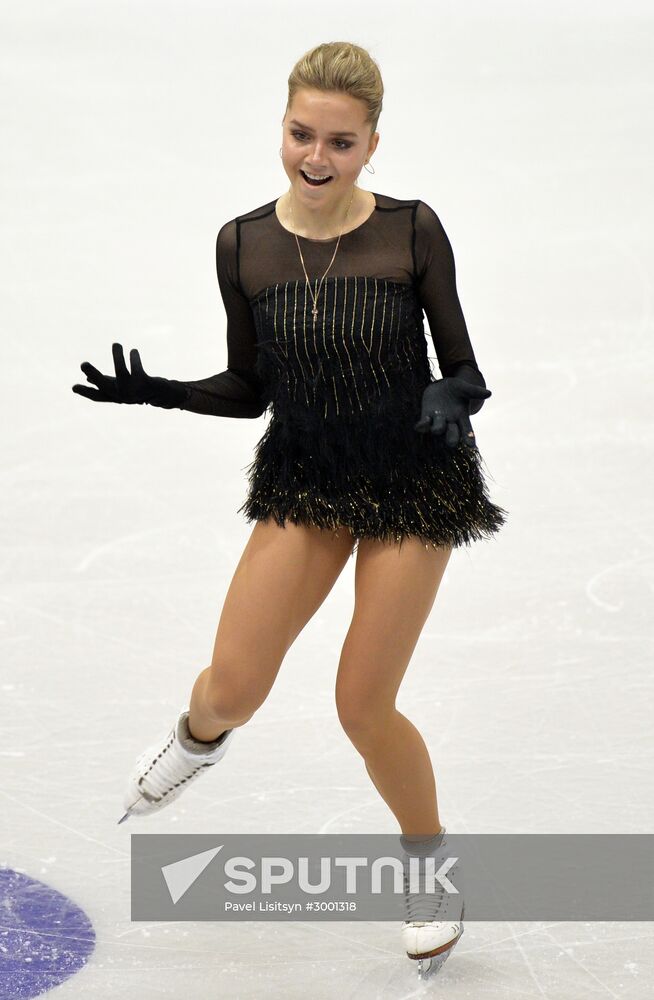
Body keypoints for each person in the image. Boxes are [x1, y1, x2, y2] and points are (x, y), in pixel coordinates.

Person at [72, 41, 507, 976]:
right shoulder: (244, 243)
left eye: (341, 143)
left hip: (410, 479)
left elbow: (465, 369)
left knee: (362, 703)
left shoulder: (412, 231)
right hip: (306, 472)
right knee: (228, 689)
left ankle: (428, 864)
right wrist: (167, 393)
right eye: (302, 134)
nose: (317, 157)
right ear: (283, 125)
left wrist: (447, 397)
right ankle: (197, 741)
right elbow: (251, 387)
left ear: (372, 143)